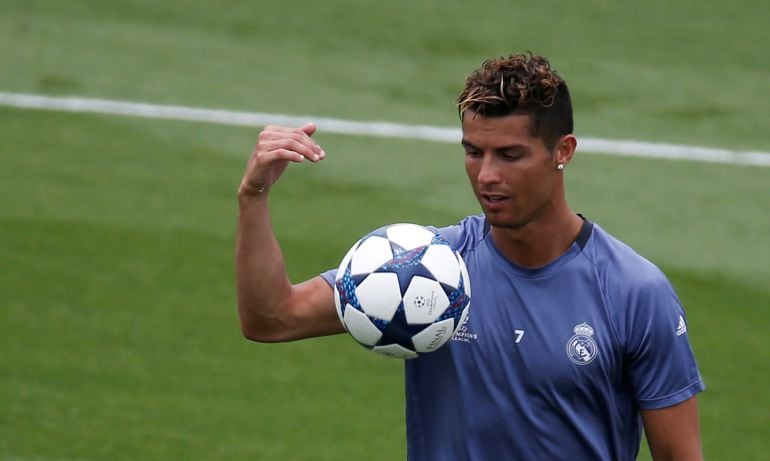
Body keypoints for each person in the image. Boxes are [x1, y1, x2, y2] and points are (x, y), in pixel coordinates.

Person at [236, 52, 705, 460]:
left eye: (509, 155)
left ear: (563, 151)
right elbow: (272, 319)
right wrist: (254, 196)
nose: (486, 176)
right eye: (474, 152)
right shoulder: (424, 267)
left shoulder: (632, 292)